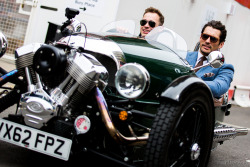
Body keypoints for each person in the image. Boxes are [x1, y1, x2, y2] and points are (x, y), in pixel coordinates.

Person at [186, 20, 234, 98]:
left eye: (213, 39)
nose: (207, 41)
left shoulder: (225, 68)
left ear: (221, 44)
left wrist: (191, 82)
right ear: (200, 37)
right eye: (205, 36)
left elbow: (218, 87)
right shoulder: (184, 56)